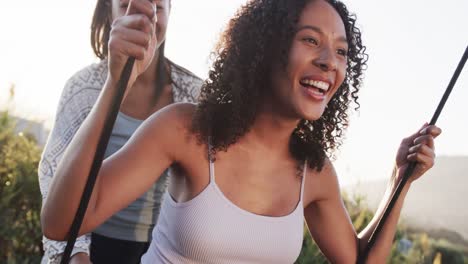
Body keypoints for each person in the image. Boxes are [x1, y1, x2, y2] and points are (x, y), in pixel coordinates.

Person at [41, 0, 442, 263]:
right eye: (310, 40)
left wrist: (398, 182)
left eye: (340, 51)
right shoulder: (186, 129)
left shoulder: (315, 174)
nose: (328, 62)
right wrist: (117, 84)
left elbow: (359, 261)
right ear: (265, 51)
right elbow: (63, 221)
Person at [38, 0, 202, 263]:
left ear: (171, 12)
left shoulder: (194, 97)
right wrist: (77, 254)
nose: (145, 17)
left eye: (158, 7)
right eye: (127, 4)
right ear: (108, 12)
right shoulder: (82, 89)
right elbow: (52, 177)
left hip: (158, 250)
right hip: (83, 245)